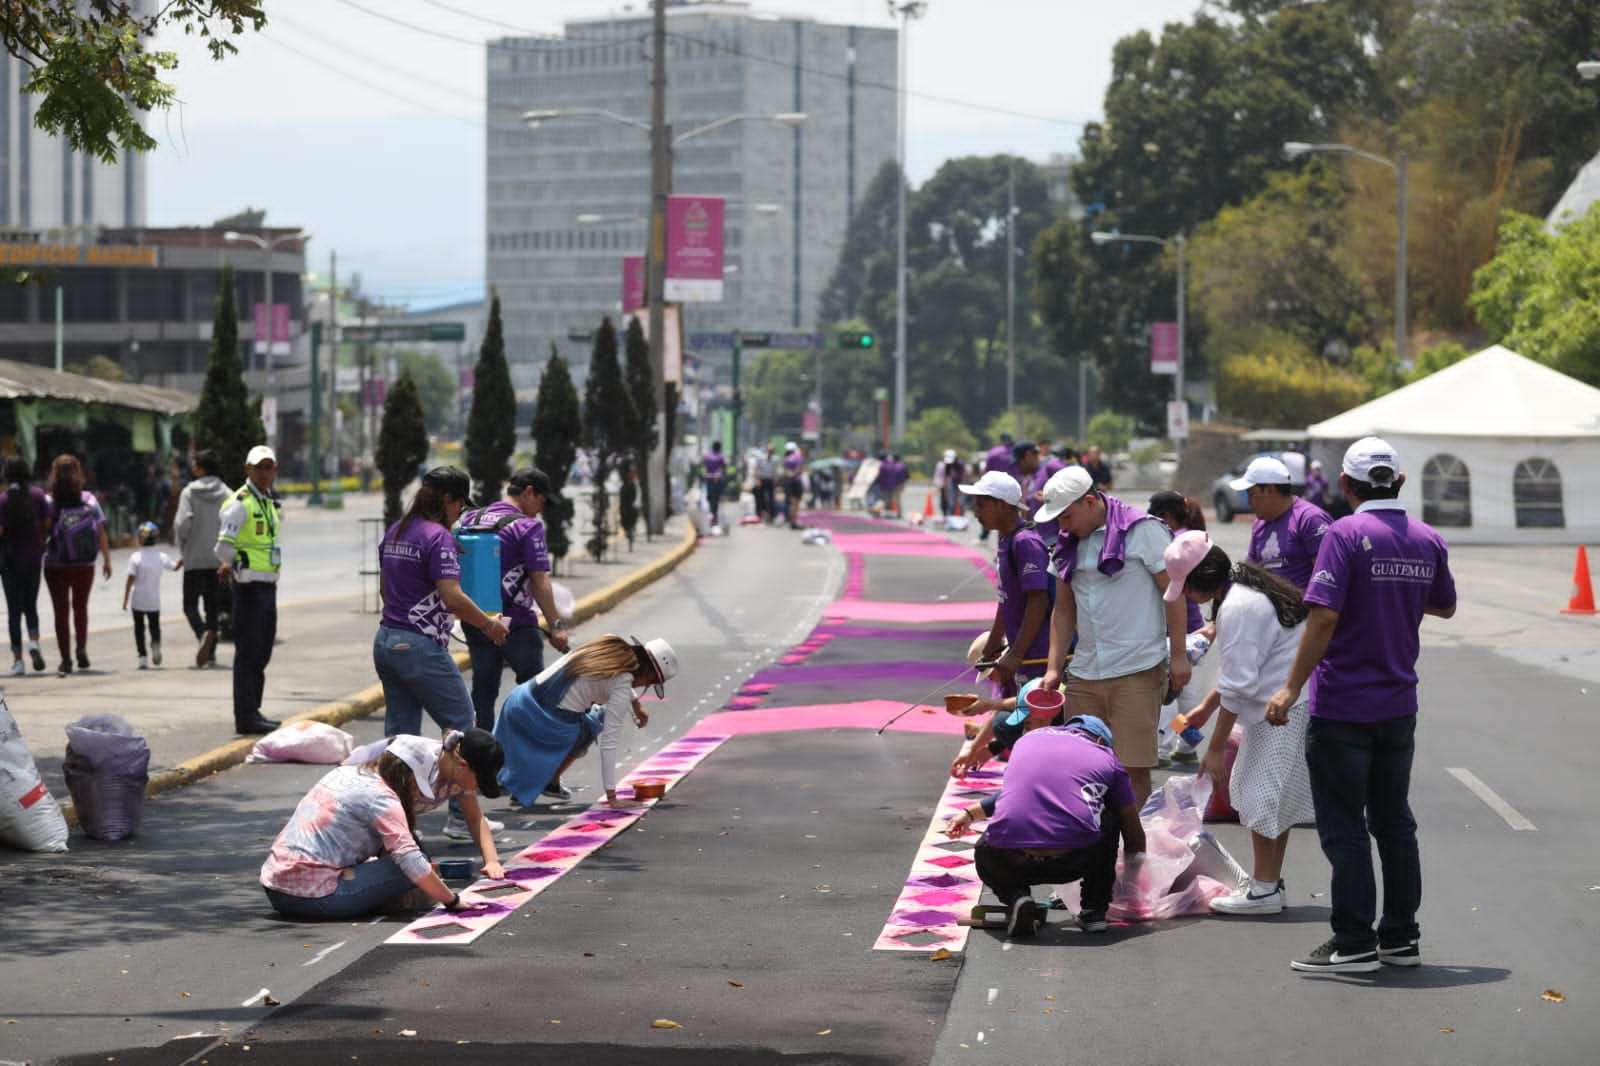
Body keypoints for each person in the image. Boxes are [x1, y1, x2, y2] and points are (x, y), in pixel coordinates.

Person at [1265, 438, 1456, 974]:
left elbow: (1323, 616)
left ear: (1345, 486)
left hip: (1343, 706)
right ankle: (1400, 938)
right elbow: (1444, 604)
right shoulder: (1427, 538)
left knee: (1345, 827)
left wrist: (1289, 687)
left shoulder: (1346, 533)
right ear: (1398, 483)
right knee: (1394, 823)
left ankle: (1353, 943)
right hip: (1398, 704)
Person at [1163, 531, 1315, 916]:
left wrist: (1214, 749)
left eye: (1184, 587)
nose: (1185, 596)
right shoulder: (1245, 594)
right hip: (1281, 706)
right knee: (1271, 797)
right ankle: (1268, 883)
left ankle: (1263, 890)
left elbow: (1238, 683)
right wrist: (1204, 710)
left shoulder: (1238, 608)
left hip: (1278, 711)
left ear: (1199, 580)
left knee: (1256, 794)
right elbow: (1239, 676)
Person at [1034, 466, 1189, 806]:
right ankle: (1096, 851)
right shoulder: (1065, 543)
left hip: (1137, 668)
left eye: (1067, 517)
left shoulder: (1143, 530)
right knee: (1083, 768)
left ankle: (1133, 851)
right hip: (1085, 672)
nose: (1062, 526)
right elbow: (1062, 610)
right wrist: (1053, 668)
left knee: (1132, 769)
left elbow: (1174, 592)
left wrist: (1179, 655)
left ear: (1090, 502)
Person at [374, 465, 510, 838]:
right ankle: (461, 819)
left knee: (399, 742)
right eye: (460, 506)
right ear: (449, 500)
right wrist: (488, 625)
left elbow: (387, 590)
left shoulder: (395, 531)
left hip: (387, 641)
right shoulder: (438, 538)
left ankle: (395, 825)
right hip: (420, 648)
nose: (459, 514)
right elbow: (452, 596)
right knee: (462, 728)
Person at [945, 712, 1146, 938]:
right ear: (1100, 741)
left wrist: (969, 814)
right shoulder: (1107, 758)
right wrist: (1131, 886)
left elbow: (1023, 791)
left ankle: (1017, 897)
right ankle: (1093, 911)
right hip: (1074, 861)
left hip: (1014, 859)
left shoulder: (1026, 741)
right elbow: (1133, 830)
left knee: (987, 846)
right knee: (1111, 815)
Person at [260, 740, 501, 921]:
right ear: (411, 780)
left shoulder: (346, 773)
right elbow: (410, 862)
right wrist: (453, 900)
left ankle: (365, 887)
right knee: (415, 862)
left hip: (276, 888)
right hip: (315, 899)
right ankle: (374, 896)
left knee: (413, 856)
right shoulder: (383, 799)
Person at [495, 634, 678, 808]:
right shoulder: (622, 684)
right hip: (539, 718)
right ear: (649, 675)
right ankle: (545, 781)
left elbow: (619, 678)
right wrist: (612, 797)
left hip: (518, 701)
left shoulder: (609, 644)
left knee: (589, 713)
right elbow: (609, 742)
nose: (645, 686)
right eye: (650, 683)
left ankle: (534, 779)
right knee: (595, 720)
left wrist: (636, 705)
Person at [457, 468, 571, 737]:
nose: (540, 511)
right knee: (535, 695)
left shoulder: (472, 518)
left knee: (483, 693)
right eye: (541, 502)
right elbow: (539, 582)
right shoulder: (528, 527)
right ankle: (533, 757)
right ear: (529, 492)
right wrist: (556, 625)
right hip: (517, 625)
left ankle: (481, 762)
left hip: (478, 621)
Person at [342, 728, 509, 884]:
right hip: (348, 806)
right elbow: (393, 821)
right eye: (479, 782)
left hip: (381, 814)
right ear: (463, 765)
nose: (477, 788)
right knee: (407, 876)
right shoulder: (413, 762)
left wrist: (492, 861)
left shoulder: (458, 774)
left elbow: (474, 819)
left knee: (418, 869)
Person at [960, 471, 1051, 695]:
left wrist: (1016, 654)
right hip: (1019, 650)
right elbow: (1005, 599)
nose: (976, 512)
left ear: (1001, 505)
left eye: (981, 505)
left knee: (1028, 720)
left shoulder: (1025, 543)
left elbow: (1038, 600)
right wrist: (992, 646)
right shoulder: (1005, 541)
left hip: (1037, 653)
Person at [217, 446, 286, 734]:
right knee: (248, 654)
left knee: (262, 651)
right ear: (248, 469)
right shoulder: (240, 503)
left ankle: (253, 710)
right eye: (259, 467)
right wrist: (237, 567)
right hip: (248, 589)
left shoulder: (267, 502)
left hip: (267, 587)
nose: (264, 472)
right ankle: (245, 717)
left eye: (268, 467)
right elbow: (222, 548)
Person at [1147, 491, 1215, 762]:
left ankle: (1161, 749)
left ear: (1164, 517)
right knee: (1186, 695)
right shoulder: (1196, 537)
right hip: (1195, 627)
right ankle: (1188, 746)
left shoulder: (1172, 543)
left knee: (1166, 694)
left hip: (1176, 628)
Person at [42, 454, 112, 677]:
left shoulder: (49, 501)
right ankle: (81, 647)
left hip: (56, 564)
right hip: (84, 563)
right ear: (78, 473)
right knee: (80, 608)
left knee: (60, 611)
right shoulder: (89, 499)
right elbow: (100, 531)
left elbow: (43, 531)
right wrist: (107, 559)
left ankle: (66, 660)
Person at [1233, 456, 1332, 590]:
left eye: (1251, 494)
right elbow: (1250, 573)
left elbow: (1329, 579)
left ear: (1270, 490)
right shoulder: (1259, 524)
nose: (1249, 502)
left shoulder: (1310, 519)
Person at [174, 448, 231, 668]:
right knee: (212, 609)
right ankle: (211, 653)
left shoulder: (189, 492)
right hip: (218, 561)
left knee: (189, 606)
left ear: (201, 468)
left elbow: (182, 523)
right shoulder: (227, 493)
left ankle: (202, 636)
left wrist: (184, 545)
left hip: (194, 559)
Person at [0, 458, 50, 675]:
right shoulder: (38, 495)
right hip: (33, 558)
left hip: (10, 562)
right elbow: (48, 524)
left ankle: (18, 661)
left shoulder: (3, 500)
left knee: (14, 611)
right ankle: (35, 644)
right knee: (31, 605)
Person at [123, 521, 179, 669]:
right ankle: (156, 645)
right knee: (155, 627)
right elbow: (175, 567)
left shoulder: (135, 557)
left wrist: (125, 599)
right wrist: (185, 557)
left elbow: (130, 579)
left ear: (141, 538)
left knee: (139, 629)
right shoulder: (161, 556)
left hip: (138, 600)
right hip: (154, 601)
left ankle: (142, 657)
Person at [701, 440, 727, 528]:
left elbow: (704, 468)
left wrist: (706, 475)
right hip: (717, 480)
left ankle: (711, 515)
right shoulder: (721, 457)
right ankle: (714, 516)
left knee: (710, 498)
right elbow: (723, 468)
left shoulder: (707, 456)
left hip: (709, 480)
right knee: (715, 499)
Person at [933, 449, 965, 518]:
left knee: (960, 502)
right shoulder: (946, 464)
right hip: (952, 484)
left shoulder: (960, 464)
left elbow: (963, 477)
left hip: (960, 484)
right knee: (951, 502)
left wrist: (960, 490)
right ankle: (950, 516)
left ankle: (961, 516)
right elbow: (946, 476)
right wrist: (944, 487)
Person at [782, 442, 806, 529]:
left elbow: (785, 471)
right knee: (796, 503)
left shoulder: (786, 459)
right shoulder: (798, 457)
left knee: (791, 503)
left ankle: (791, 521)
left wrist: (790, 475)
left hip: (788, 482)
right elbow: (800, 469)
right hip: (796, 482)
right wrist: (794, 474)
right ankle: (794, 522)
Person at [755, 446, 778, 523]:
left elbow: (775, 471)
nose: (771, 452)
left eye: (772, 451)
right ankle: (760, 514)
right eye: (770, 451)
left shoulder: (774, 460)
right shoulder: (761, 458)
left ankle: (771, 516)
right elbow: (757, 469)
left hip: (770, 480)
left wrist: (775, 481)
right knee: (761, 498)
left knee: (771, 499)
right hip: (762, 479)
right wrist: (758, 479)